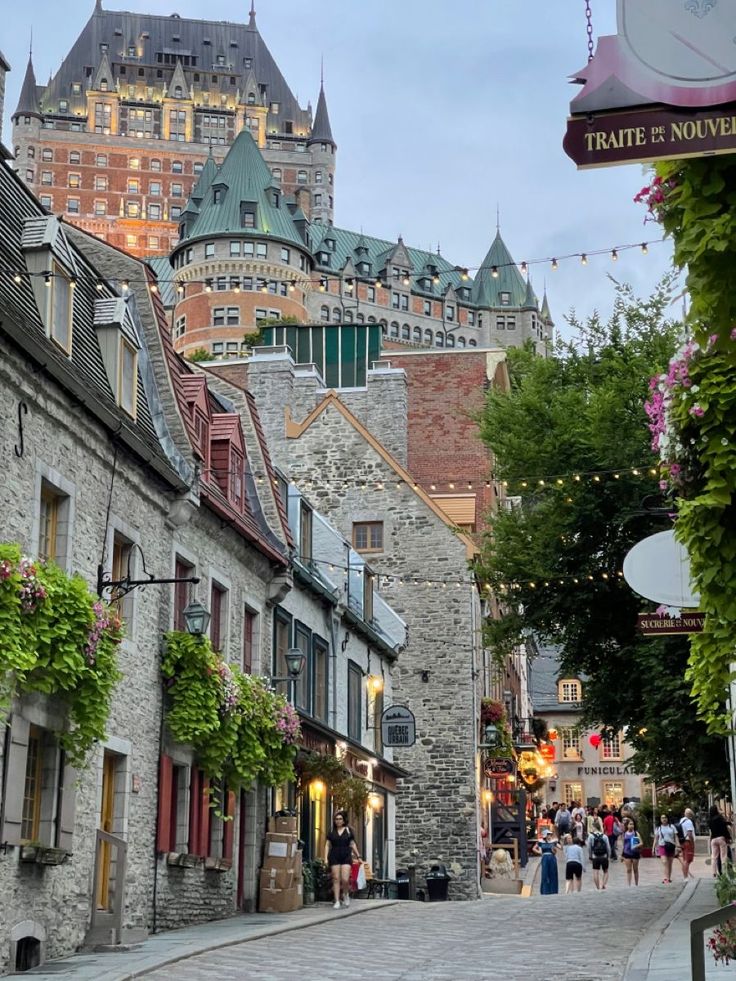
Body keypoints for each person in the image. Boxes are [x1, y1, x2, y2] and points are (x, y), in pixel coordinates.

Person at [324, 810, 361, 909]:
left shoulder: (348, 831)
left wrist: (358, 856)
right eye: (336, 819)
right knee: (336, 879)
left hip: (346, 855)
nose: (338, 821)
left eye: (340, 819)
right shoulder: (331, 830)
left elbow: (352, 844)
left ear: (344, 820)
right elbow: (327, 845)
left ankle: (345, 894)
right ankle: (336, 900)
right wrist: (325, 858)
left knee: (345, 879)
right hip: (334, 855)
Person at [532, 827, 559, 895]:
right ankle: (545, 890)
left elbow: (557, 850)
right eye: (548, 834)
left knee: (553, 874)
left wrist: (554, 849)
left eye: (550, 834)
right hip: (545, 858)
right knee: (545, 874)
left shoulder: (553, 842)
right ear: (545, 835)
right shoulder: (541, 842)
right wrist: (540, 853)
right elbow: (534, 848)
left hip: (552, 858)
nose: (549, 835)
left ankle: (553, 890)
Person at [653, 813, 678, 883]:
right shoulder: (658, 828)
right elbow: (656, 838)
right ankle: (665, 878)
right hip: (662, 846)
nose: (664, 819)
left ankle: (668, 878)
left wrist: (677, 846)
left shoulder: (672, 827)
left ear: (667, 819)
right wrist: (653, 848)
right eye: (662, 818)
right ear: (660, 819)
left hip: (671, 846)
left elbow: (676, 837)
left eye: (665, 818)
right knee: (665, 862)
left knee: (670, 863)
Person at [709, 804, 731, 877]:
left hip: (713, 839)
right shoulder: (719, 817)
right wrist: (728, 837)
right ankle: (724, 872)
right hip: (721, 838)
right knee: (723, 856)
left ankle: (713, 872)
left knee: (714, 857)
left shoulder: (709, 820)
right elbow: (724, 828)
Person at [587, 826, 611, 890]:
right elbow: (608, 847)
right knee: (605, 871)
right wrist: (608, 856)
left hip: (595, 856)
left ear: (594, 828)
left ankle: (598, 888)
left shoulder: (591, 836)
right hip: (604, 856)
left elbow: (589, 847)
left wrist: (590, 856)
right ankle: (603, 884)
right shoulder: (605, 836)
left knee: (595, 872)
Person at [620, 816, 641, 886]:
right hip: (627, 854)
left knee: (635, 869)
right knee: (628, 869)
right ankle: (629, 884)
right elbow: (624, 845)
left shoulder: (636, 833)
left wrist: (636, 846)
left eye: (632, 824)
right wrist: (622, 855)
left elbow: (641, 843)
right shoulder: (624, 834)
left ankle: (636, 884)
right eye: (630, 824)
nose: (632, 826)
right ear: (627, 825)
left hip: (635, 853)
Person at [678, 808, 696, 880]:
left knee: (685, 859)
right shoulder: (689, 822)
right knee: (687, 860)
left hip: (682, 842)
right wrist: (692, 844)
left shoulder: (681, 821)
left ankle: (685, 876)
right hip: (688, 842)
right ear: (691, 815)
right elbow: (689, 833)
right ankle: (686, 877)